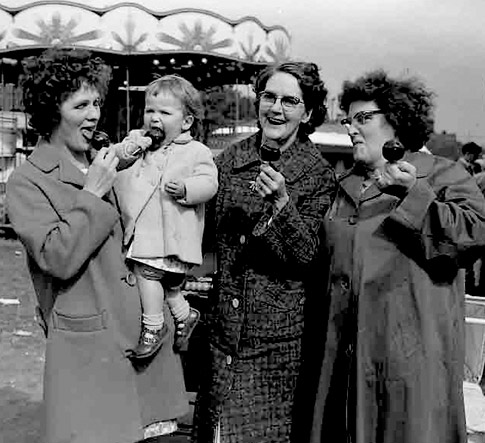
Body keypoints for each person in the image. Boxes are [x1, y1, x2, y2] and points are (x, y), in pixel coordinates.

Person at [6, 48, 188, 443]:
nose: (94, 115)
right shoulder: (28, 181)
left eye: (97, 103)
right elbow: (56, 257)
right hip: (90, 352)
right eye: (81, 105)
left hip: (145, 341)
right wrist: (92, 193)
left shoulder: (113, 159)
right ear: (53, 110)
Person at [309, 69, 485, 443]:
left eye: (363, 119)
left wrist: (414, 193)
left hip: (412, 363)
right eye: (347, 120)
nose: (351, 129)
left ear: (397, 121)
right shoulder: (342, 189)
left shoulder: (441, 174)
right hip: (346, 365)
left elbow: (474, 234)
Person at [192, 61, 336, 443]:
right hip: (223, 335)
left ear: (307, 113)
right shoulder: (228, 161)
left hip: (276, 348)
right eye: (268, 97)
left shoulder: (318, 175)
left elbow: (308, 258)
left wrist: (282, 206)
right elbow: (203, 238)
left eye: (290, 101)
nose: (276, 108)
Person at [114, 74, 218, 359]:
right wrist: (134, 146)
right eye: (150, 110)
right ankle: (185, 315)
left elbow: (209, 183)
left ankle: (153, 326)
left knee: (147, 274)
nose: (154, 118)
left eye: (164, 112)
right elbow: (116, 158)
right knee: (169, 287)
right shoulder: (139, 142)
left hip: (172, 237)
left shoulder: (197, 152)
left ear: (185, 122)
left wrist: (187, 188)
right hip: (148, 235)